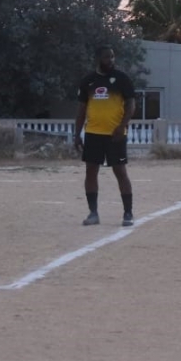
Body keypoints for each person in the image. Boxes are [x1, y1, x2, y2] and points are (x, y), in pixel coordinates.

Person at [74, 45, 136, 227]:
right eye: (107, 57)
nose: (111, 60)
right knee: (91, 171)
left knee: (120, 172)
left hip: (115, 134)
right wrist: (77, 135)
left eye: (112, 56)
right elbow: (81, 111)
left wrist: (122, 126)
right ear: (98, 58)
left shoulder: (122, 79)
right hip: (93, 134)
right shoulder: (88, 81)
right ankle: (93, 213)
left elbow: (131, 106)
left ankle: (128, 213)